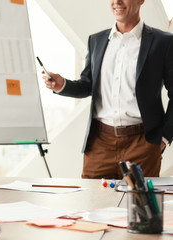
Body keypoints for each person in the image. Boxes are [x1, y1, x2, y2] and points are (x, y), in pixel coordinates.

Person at [43, 0, 173, 179]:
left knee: (141, 207)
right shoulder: (96, 40)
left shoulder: (163, 42)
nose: (117, 2)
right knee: (93, 204)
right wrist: (62, 85)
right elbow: (88, 84)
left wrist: (164, 138)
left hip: (142, 144)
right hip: (99, 144)